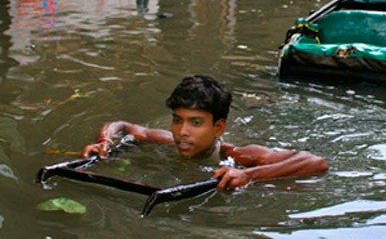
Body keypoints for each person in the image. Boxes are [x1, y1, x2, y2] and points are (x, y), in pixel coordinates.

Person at [81, 75, 328, 190]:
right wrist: (104, 141)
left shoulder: (239, 156)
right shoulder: (168, 141)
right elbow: (123, 126)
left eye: (195, 123)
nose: (182, 133)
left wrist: (250, 176)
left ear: (218, 127)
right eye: (177, 121)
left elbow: (316, 162)